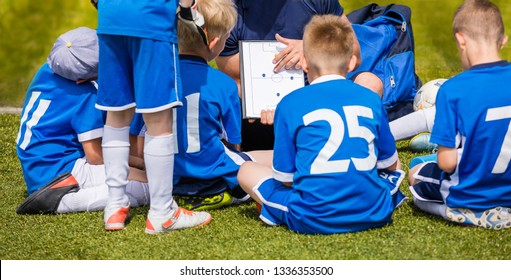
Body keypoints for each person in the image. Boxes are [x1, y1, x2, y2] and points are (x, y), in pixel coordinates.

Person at [237, 15, 406, 235]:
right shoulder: (370, 98)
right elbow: (390, 165)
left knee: (245, 170)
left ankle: (274, 209)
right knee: (394, 169)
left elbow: (286, 180)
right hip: (375, 210)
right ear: (353, 62)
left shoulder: (289, 104)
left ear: (304, 62)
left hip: (312, 215)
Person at [95, 0, 211, 234]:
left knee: (117, 114)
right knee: (158, 120)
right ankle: (162, 212)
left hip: (110, 18)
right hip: (151, 19)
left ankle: (115, 205)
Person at [215, 0, 382, 151]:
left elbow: (354, 53)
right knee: (214, 92)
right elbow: (234, 83)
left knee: (370, 83)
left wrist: (310, 47)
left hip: (319, 105)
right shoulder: (231, 8)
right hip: (261, 119)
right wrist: (272, 105)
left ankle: (356, 151)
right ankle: (237, 159)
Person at [15, 27, 149, 215]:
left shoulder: (46, 70)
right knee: (148, 185)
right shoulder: (84, 94)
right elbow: (95, 157)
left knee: (142, 175)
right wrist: (138, 163)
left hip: (38, 166)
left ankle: (55, 194)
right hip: (62, 171)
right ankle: (61, 200)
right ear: (81, 80)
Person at [408, 0, 511, 230]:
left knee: (415, 172)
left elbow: (446, 163)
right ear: (502, 40)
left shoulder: (453, 89)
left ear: (460, 40)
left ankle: (457, 211)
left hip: (468, 195)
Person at [171, 0, 272, 210]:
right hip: (217, 176)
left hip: (169, 178)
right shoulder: (224, 84)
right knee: (274, 158)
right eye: (226, 38)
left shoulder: (159, 79)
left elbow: (140, 140)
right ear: (214, 43)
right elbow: (234, 143)